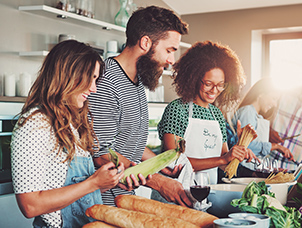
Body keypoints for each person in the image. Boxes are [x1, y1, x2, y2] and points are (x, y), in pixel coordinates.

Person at [11, 40, 125, 228]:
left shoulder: (70, 121)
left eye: (96, 79)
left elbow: (65, 184)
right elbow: (30, 205)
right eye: (90, 78)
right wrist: (93, 184)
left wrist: (107, 180)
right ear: (68, 75)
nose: (93, 88)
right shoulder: (35, 124)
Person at [88, 5, 192, 207]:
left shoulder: (136, 81)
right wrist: (160, 183)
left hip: (123, 200)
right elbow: (101, 154)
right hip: (101, 204)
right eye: (169, 50)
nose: (171, 60)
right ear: (145, 42)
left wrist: (160, 164)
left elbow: (128, 140)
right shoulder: (106, 81)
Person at [156, 41, 257, 190]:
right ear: (194, 79)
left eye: (220, 84)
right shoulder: (177, 110)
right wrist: (223, 158)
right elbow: (172, 163)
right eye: (208, 83)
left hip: (207, 193)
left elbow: (224, 165)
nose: (214, 90)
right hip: (174, 194)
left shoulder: (216, 114)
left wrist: (239, 149)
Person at [229, 77, 295, 177]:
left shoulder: (256, 116)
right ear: (261, 94)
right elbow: (245, 147)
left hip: (250, 172)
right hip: (241, 173)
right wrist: (276, 146)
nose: (274, 104)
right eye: (274, 99)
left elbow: (254, 154)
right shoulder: (247, 112)